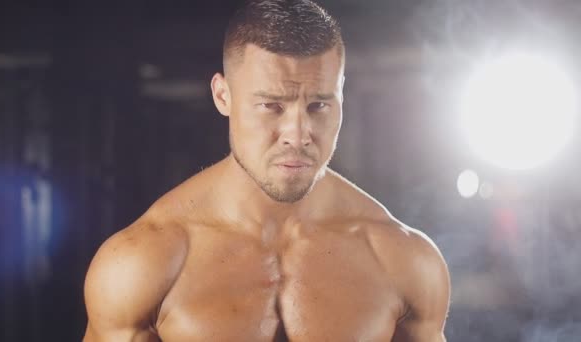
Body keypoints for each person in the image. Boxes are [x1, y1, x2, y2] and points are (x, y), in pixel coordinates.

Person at [82, 0, 450, 341]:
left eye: (319, 105)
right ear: (223, 96)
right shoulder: (143, 261)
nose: (298, 134)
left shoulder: (401, 258)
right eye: (272, 106)